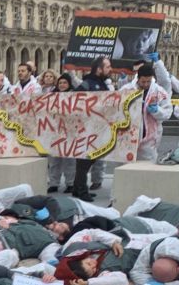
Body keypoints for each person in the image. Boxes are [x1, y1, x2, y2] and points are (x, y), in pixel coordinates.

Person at [72, 57, 113, 201]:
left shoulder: (101, 83)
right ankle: (82, 191)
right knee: (84, 161)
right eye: (107, 67)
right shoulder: (87, 83)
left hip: (96, 128)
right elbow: (74, 99)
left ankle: (77, 189)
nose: (110, 69)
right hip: (85, 129)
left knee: (88, 161)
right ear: (99, 69)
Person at [118, 63, 172, 162]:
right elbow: (116, 110)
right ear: (138, 78)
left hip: (150, 137)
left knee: (147, 169)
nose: (146, 84)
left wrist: (157, 111)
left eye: (148, 81)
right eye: (143, 81)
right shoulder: (126, 90)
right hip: (128, 135)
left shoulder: (159, 92)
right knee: (125, 168)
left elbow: (168, 112)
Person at [46, 74, 76, 192]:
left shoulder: (74, 96)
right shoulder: (51, 96)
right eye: (60, 83)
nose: (62, 85)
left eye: (65, 83)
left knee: (69, 159)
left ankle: (70, 183)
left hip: (70, 131)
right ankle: (54, 183)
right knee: (54, 159)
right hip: (54, 131)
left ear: (69, 84)